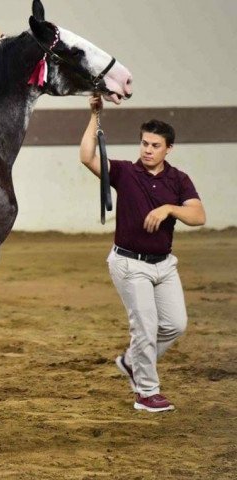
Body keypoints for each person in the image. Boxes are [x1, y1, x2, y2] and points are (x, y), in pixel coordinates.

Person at [79, 95, 206, 412]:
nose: (148, 150)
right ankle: (146, 393)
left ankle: (131, 361)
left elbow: (198, 216)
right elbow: (86, 156)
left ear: (168, 149)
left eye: (155, 145)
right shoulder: (124, 173)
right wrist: (95, 116)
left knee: (175, 325)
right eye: (145, 144)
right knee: (146, 328)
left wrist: (168, 208)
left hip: (164, 266)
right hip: (128, 263)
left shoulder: (178, 180)